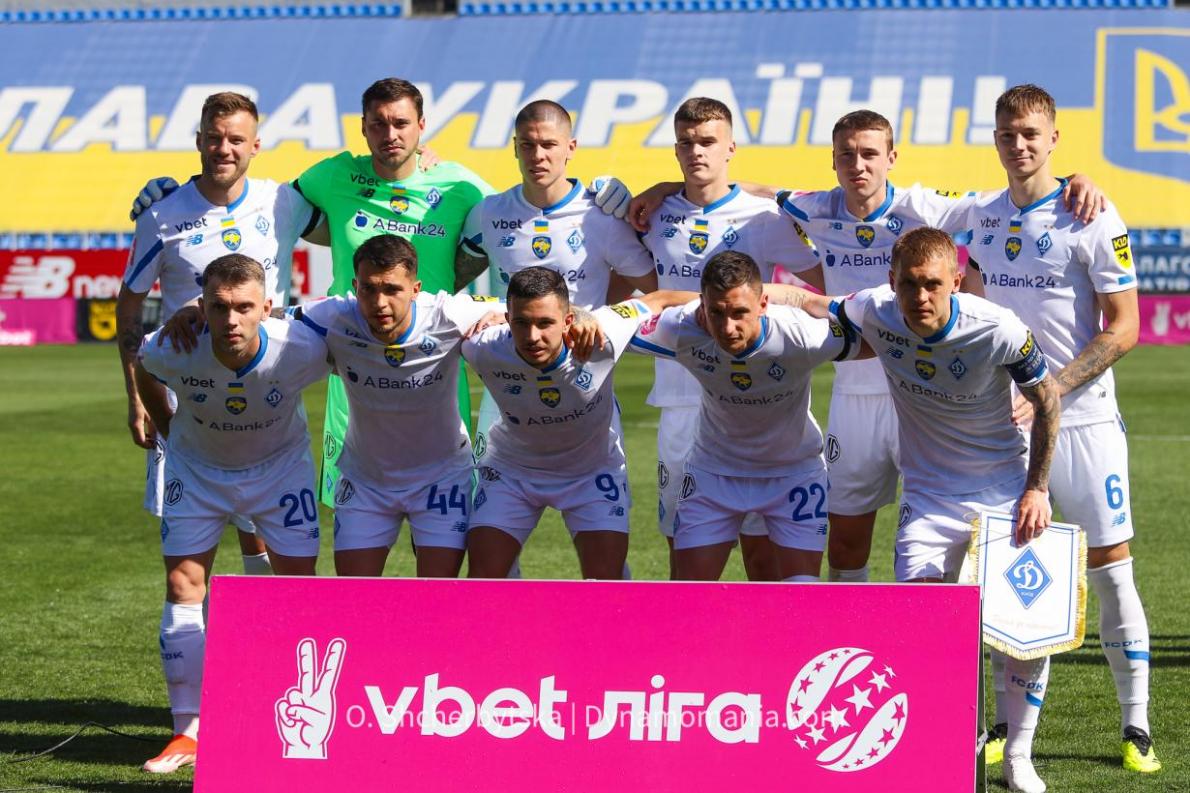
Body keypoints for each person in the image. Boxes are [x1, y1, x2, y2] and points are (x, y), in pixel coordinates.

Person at [627, 109, 1105, 587]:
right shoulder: (815, 207)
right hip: (854, 398)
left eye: (870, 154)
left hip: (925, 400)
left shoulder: (925, 207)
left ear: (891, 158)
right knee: (846, 542)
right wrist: (668, 189)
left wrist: (1070, 181)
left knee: (952, 527)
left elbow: (1012, 195)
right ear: (833, 160)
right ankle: (850, 623)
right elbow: (755, 192)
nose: (859, 165)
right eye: (847, 155)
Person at [808, 227, 1061, 793]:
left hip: (1004, 490)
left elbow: (1047, 400)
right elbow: (808, 302)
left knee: (1027, 629)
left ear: (956, 281)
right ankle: (954, 742)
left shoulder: (998, 328)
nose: (919, 297)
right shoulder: (876, 309)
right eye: (908, 285)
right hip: (927, 497)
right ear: (891, 282)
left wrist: (1037, 488)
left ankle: (1019, 755)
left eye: (931, 285)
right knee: (922, 624)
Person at [964, 84, 1159, 774]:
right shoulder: (980, 217)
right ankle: (1002, 725)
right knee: (1010, 571)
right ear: (995, 139)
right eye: (1007, 133)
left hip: (1085, 420)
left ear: (1053, 139)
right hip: (1008, 423)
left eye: (1031, 133)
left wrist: (1052, 388)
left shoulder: (1092, 215)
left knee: (1111, 569)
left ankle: (1136, 724)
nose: (1019, 144)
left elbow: (1125, 327)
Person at [133, 255, 331, 773]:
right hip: (197, 472)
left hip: (279, 473)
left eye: (244, 307)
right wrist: (166, 424)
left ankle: (284, 705)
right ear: (202, 307)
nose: (231, 320)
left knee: (298, 586)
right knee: (182, 586)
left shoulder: (301, 347)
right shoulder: (174, 345)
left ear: (267, 307)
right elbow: (144, 364)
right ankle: (188, 731)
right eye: (219, 307)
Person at [117, 91, 319, 576]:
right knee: (187, 555)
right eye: (213, 138)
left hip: (265, 391)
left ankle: (256, 622)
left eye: (236, 139)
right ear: (199, 141)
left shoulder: (284, 202)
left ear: (255, 146)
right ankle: (191, 622)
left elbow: (358, 208)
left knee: (263, 533)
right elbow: (128, 307)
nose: (223, 149)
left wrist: (422, 161)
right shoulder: (161, 214)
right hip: (187, 395)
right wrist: (137, 397)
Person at [457, 99, 656, 579]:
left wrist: (594, 317)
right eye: (528, 145)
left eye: (549, 144)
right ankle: (503, 621)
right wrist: (487, 311)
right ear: (515, 149)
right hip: (507, 386)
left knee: (605, 559)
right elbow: (454, 273)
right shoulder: (490, 213)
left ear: (571, 147)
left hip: (585, 386)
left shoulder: (601, 215)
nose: (538, 155)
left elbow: (650, 283)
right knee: (493, 545)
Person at [635, 97, 822, 580]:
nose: (696, 151)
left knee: (762, 553)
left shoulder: (764, 218)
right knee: (684, 549)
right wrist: (662, 190)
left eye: (707, 141)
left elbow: (824, 282)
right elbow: (629, 284)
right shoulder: (653, 214)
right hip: (680, 400)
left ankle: (760, 632)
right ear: (675, 149)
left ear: (731, 147)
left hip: (753, 405)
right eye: (686, 143)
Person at [291, 78, 496, 507]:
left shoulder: (459, 186)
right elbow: (266, 208)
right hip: (354, 359)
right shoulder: (333, 175)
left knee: (443, 508)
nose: (390, 134)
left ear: (421, 126)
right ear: (363, 128)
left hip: (435, 360)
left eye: (401, 123)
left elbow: (517, 223)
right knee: (354, 506)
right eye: (379, 124)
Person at [628, 251, 860, 581]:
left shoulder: (803, 334)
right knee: (689, 592)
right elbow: (609, 333)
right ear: (702, 307)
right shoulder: (681, 328)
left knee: (801, 593)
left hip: (792, 474)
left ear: (763, 304)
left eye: (739, 313)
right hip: (714, 474)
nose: (727, 327)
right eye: (716, 313)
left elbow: (879, 340)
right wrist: (590, 322)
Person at [295, 234, 505, 578]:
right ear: (355, 286)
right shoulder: (335, 315)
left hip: (442, 479)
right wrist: (200, 311)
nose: (379, 302)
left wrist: (505, 315)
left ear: (415, 289)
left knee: (435, 596)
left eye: (392, 289)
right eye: (369, 289)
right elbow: (267, 317)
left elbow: (538, 308)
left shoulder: (447, 313)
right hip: (366, 481)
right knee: (354, 596)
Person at [462, 267, 691, 579]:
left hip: (591, 473)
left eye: (545, 323)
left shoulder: (604, 332)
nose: (533, 336)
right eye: (521, 323)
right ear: (507, 318)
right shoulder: (482, 345)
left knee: (605, 584)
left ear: (568, 320)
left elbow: (661, 299)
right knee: (483, 579)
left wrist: (753, 304)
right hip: (512, 472)